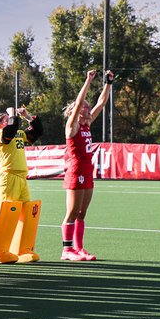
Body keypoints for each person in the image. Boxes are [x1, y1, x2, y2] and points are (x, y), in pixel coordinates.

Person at [61, 70, 112, 261]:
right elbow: (79, 102)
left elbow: (102, 103)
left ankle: (79, 248)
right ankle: (67, 250)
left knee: (82, 213)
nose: (88, 107)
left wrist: (108, 83)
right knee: (72, 212)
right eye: (84, 106)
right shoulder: (72, 125)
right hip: (75, 170)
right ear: (77, 109)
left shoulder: (87, 124)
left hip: (87, 169)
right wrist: (88, 81)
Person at [0, 107, 43, 262]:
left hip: (21, 179)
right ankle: (0, 251)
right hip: (7, 178)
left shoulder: (19, 133)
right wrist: (13, 115)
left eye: (9, 118)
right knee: (7, 214)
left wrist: (26, 115)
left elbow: (38, 131)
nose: (9, 120)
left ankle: (23, 249)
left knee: (27, 213)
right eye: (5, 119)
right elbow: (9, 133)